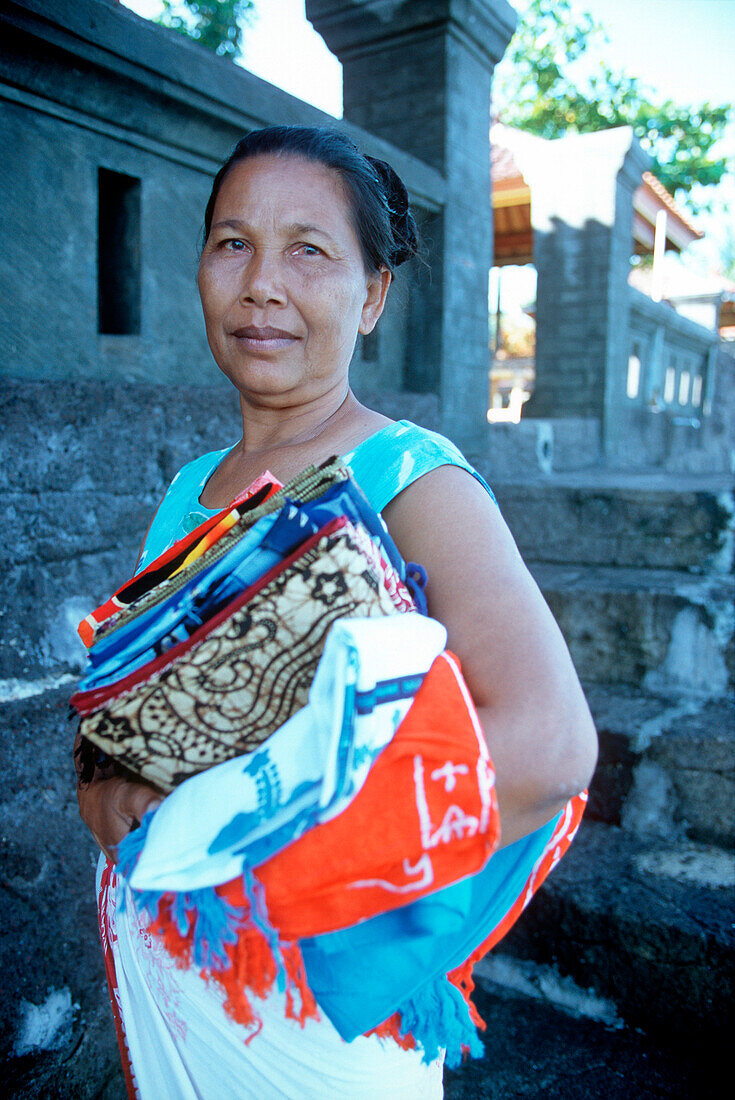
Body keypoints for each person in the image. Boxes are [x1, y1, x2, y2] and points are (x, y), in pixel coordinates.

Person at [77, 126, 597, 1099]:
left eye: (309, 249)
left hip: (302, 999)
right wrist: (106, 784)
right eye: (233, 242)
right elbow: (138, 700)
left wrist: (247, 859)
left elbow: (547, 743)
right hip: (176, 968)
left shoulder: (411, 479)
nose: (262, 282)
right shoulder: (194, 485)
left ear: (372, 295)